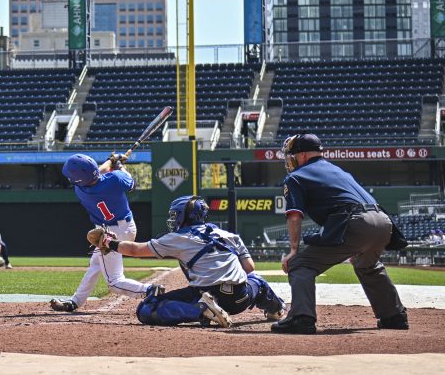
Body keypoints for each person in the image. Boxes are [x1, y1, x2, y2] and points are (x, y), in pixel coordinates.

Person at [271, 133, 408, 334]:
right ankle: (394, 317)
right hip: (383, 221)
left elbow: (294, 216)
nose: (289, 159)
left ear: (301, 156)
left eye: (292, 155)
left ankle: (301, 318)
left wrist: (293, 250)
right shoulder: (338, 170)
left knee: (300, 264)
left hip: (356, 223)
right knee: (367, 265)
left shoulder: (296, 176)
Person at [96, 194, 286, 328]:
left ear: (184, 215)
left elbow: (135, 250)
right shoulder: (228, 234)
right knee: (258, 281)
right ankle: (277, 309)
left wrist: (109, 242)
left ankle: (201, 309)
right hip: (241, 298)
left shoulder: (177, 238)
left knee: (146, 308)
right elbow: (249, 268)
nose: (172, 219)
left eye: (174, 215)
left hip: (207, 293)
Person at [48, 153, 158, 312]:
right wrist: (119, 165)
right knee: (95, 264)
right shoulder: (116, 179)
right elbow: (129, 183)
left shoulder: (80, 189)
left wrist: (112, 160)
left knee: (114, 281)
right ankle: (75, 301)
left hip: (110, 234)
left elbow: (97, 173)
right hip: (125, 228)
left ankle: (149, 290)